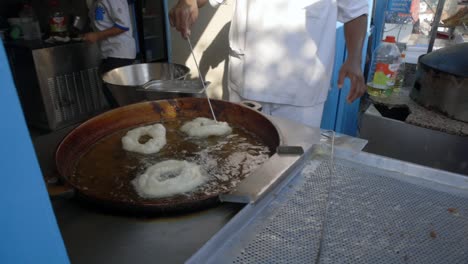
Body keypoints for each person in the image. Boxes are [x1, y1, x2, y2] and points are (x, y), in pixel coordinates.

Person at [169, 0, 368, 127]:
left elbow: (356, 12)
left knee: (293, 168)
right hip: (248, 87)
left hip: (301, 95)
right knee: (244, 159)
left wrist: (354, 58)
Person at [84, 0, 136, 107]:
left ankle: (123, 119)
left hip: (120, 52)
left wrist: (97, 36)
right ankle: (122, 118)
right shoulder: (95, 3)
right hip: (109, 53)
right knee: (112, 91)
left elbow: (123, 25)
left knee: (115, 94)